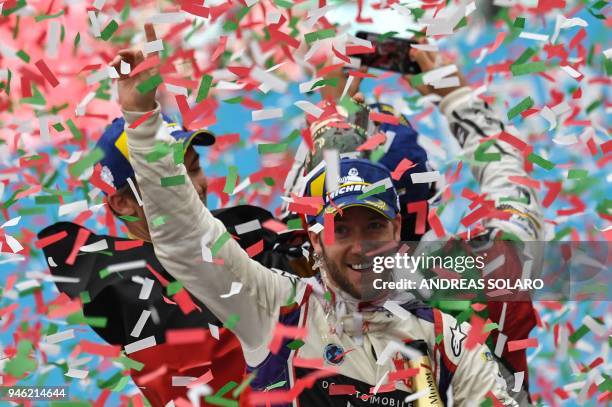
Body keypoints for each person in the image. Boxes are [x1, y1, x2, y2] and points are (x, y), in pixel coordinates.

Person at [116, 23, 521, 406]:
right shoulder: (280, 304)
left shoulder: (441, 333)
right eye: (341, 228)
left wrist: (327, 127)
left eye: (374, 225)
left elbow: (296, 208)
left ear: (395, 225)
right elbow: (189, 238)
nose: (360, 245)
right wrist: (455, 97)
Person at [38, 114, 308, 406]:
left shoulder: (248, 229)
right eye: (173, 180)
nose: (194, 187)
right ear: (123, 202)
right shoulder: (125, 285)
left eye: (194, 168)